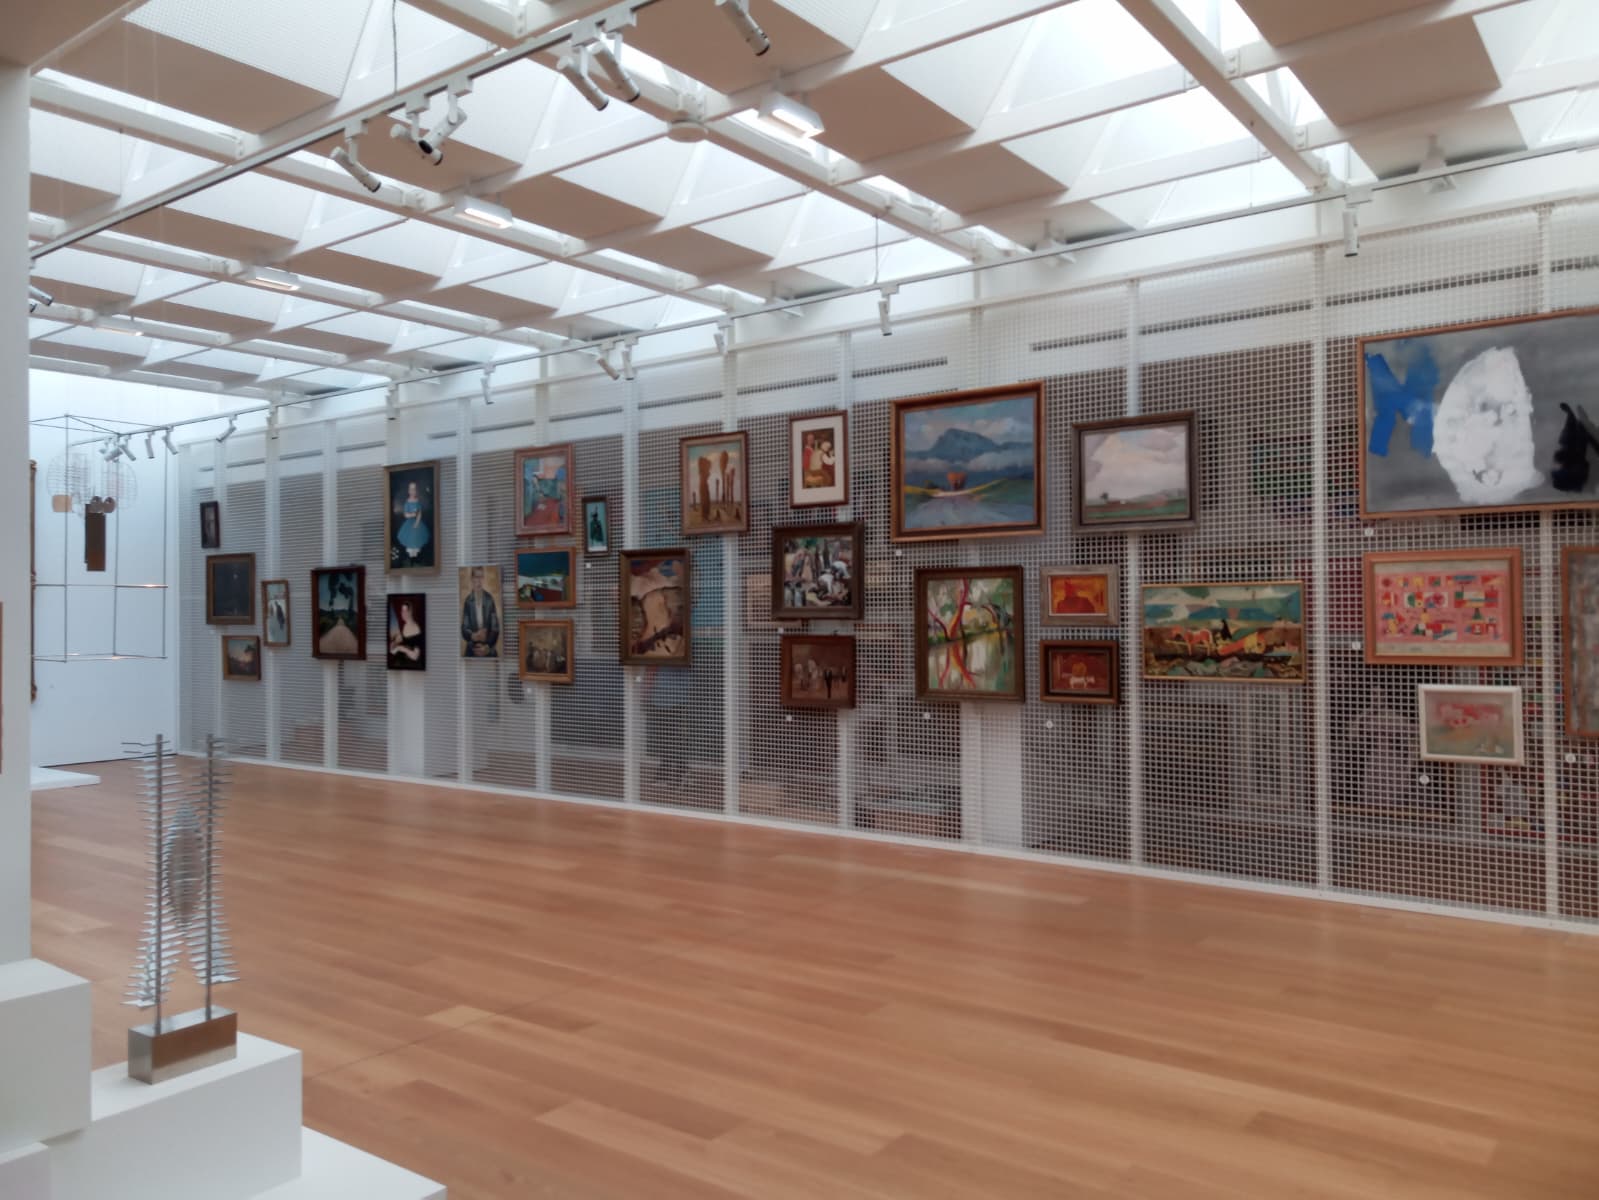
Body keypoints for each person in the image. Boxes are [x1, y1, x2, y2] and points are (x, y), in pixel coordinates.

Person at [461, 567, 500, 657]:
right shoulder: (468, 601)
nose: (479, 581)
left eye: (481, 577)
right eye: (476, 577)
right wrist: (473, 635)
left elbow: (495, 628)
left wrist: (487, 646)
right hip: (472, 647)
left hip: (488, 646)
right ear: (472, 579)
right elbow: (464, 629)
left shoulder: (489, 599)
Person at [395, 480, 431, 563]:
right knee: (410, 542)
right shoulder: (407, 502)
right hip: (409, 524)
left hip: (417, 524)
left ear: (416, 491)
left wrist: (417, 522)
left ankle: (416, 559)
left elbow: (419, 514)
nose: (412, 491)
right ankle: (411, 559)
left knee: (417, 540)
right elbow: (405, 514)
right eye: (411, 489)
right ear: (408, 491)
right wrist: (412, 514)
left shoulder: (418, 501)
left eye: (414, 489)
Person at [389, 600, 423, 667]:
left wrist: (400, 648)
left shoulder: (416, 629)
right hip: (403, 660)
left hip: (412, 664)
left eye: (406, 611)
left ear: (410, 612)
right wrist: (394, 643)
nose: (403, 613)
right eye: (402, 611)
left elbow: (415, 656)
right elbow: (405, 639)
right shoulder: (405, 625)